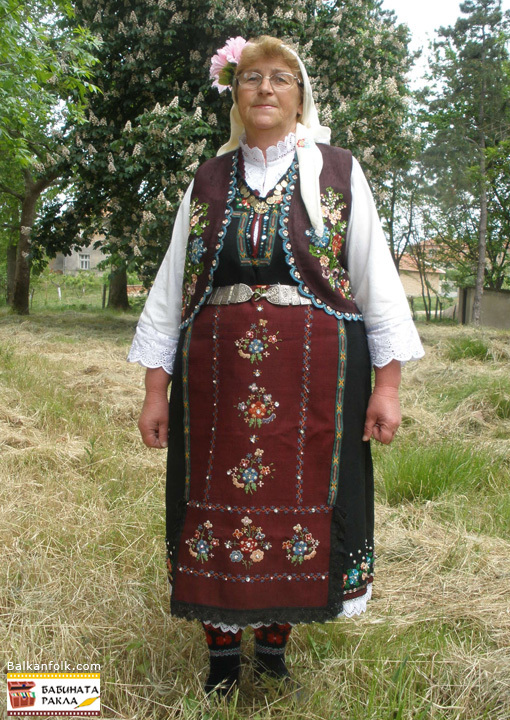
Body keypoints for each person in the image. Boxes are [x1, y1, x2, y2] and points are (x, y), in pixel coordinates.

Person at [128, 34, 424, 696]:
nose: (265, 88)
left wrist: (388, 387)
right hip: (213, 380)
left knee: (303, 496)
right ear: (235, 95)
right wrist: (155, 391)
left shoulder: (338, 172)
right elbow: (169, 289)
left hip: (318, 379)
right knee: (217, 502)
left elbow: (374, 281)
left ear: (299, 96)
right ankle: (222, 659)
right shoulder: (207, 179)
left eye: (280, 77)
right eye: (252, 77)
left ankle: (275, 644)